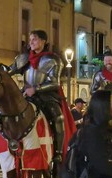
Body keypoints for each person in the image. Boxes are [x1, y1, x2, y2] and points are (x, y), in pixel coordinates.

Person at [9, 29, 74, 162]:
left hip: (47, 96)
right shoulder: (23, 58)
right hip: (27, 95)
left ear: (43, 42)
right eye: (30, 39)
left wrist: (36, 89)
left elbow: (55, 83)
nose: (31, 42)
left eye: (35, 39)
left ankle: (58, 152)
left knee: (58, 117)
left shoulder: (53, 59)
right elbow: (8, 70)